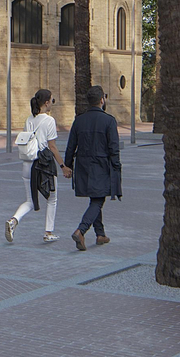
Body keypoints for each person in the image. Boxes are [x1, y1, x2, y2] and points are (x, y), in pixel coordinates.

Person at [62, 85, 122, 251]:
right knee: (98, 199)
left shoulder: (79, 120)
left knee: (95, 197)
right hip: (101, 165)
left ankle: (100, 234)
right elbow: (114, 148)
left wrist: (68, 166)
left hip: (83, 165)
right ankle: (81, 230)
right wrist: (116, 167)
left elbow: (70, 146)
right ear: (102, 100)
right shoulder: (109, 120)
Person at [6, 88, 62, 244]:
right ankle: (48, 232)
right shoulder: (49, 121)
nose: (52, 103)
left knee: (30, 200)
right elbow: (52, 146)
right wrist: (63, 165)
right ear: (46, 102)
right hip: (43, 165)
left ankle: (14, 220)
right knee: (52, 198)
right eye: (52, 100)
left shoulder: (29, 119)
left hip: (27, 164)